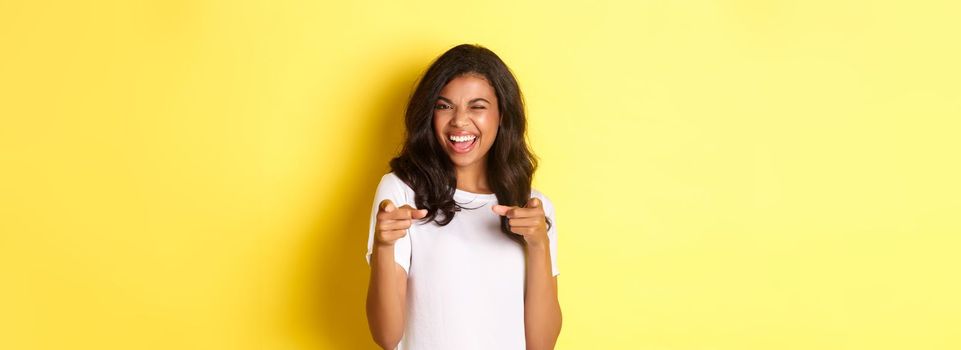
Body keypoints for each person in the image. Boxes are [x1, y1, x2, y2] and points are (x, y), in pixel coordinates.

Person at [364, 44, 561, 350]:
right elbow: (386, 336)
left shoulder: (532, 208)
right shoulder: (401, 194)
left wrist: (539, 245)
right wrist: (383, 246)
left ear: (502, 115)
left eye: (477, 107)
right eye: (444, 106)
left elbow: (542, 345)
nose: (459, 120)